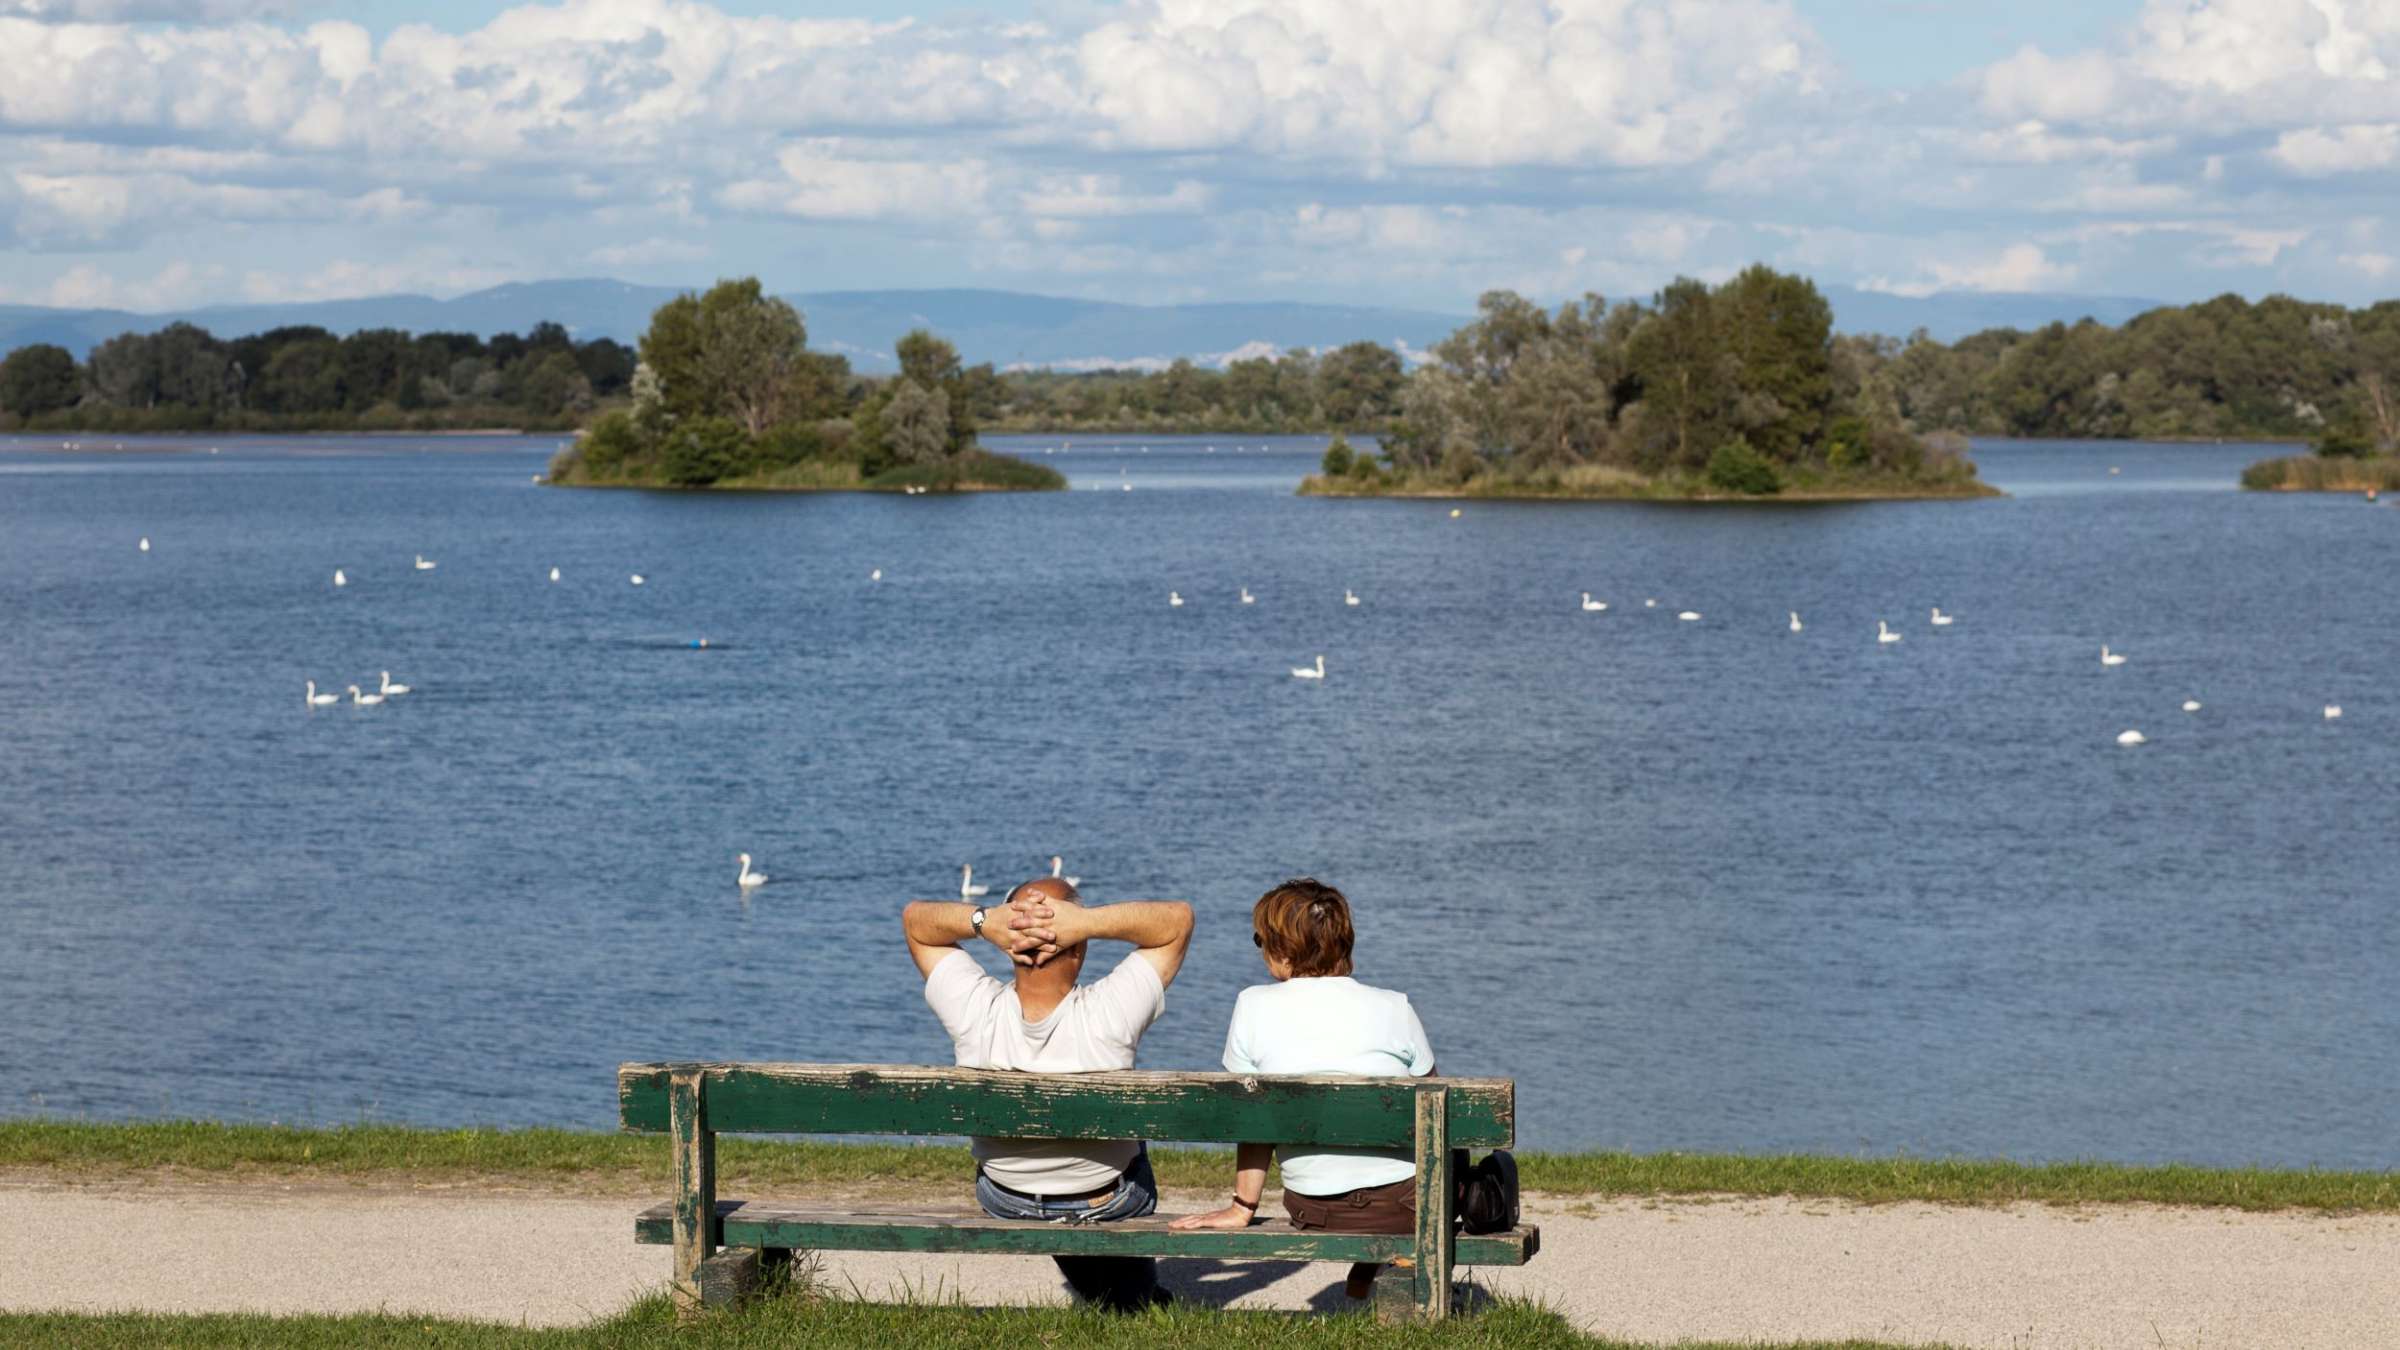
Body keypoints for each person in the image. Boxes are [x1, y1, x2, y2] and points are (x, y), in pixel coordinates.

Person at [1169, 877, 1511, 1302]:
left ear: (1282, 950)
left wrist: (1242, 1208)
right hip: (1405, 1208)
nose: (1259, 950)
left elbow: (1253, 1120)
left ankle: (1373, 1266)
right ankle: (1394, 1263)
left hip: (1313, 1210)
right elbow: (1436, 1110)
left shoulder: (1252, 1006)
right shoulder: (1394, 1006)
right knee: (1447, 1137)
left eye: (1260, 940)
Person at [903, 876, 1193, 1312]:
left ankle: (1119, 1294)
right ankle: (1132, 1298)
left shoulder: (972, 1009)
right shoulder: (1111, 1011)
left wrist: (984, 921)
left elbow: (916, 921)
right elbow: (1177, 920)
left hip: (1007, 1197)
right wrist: (1087, 922)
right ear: (1079, 949)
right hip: (1106, 1198)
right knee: (1131, 1150)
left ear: (1008, 945)